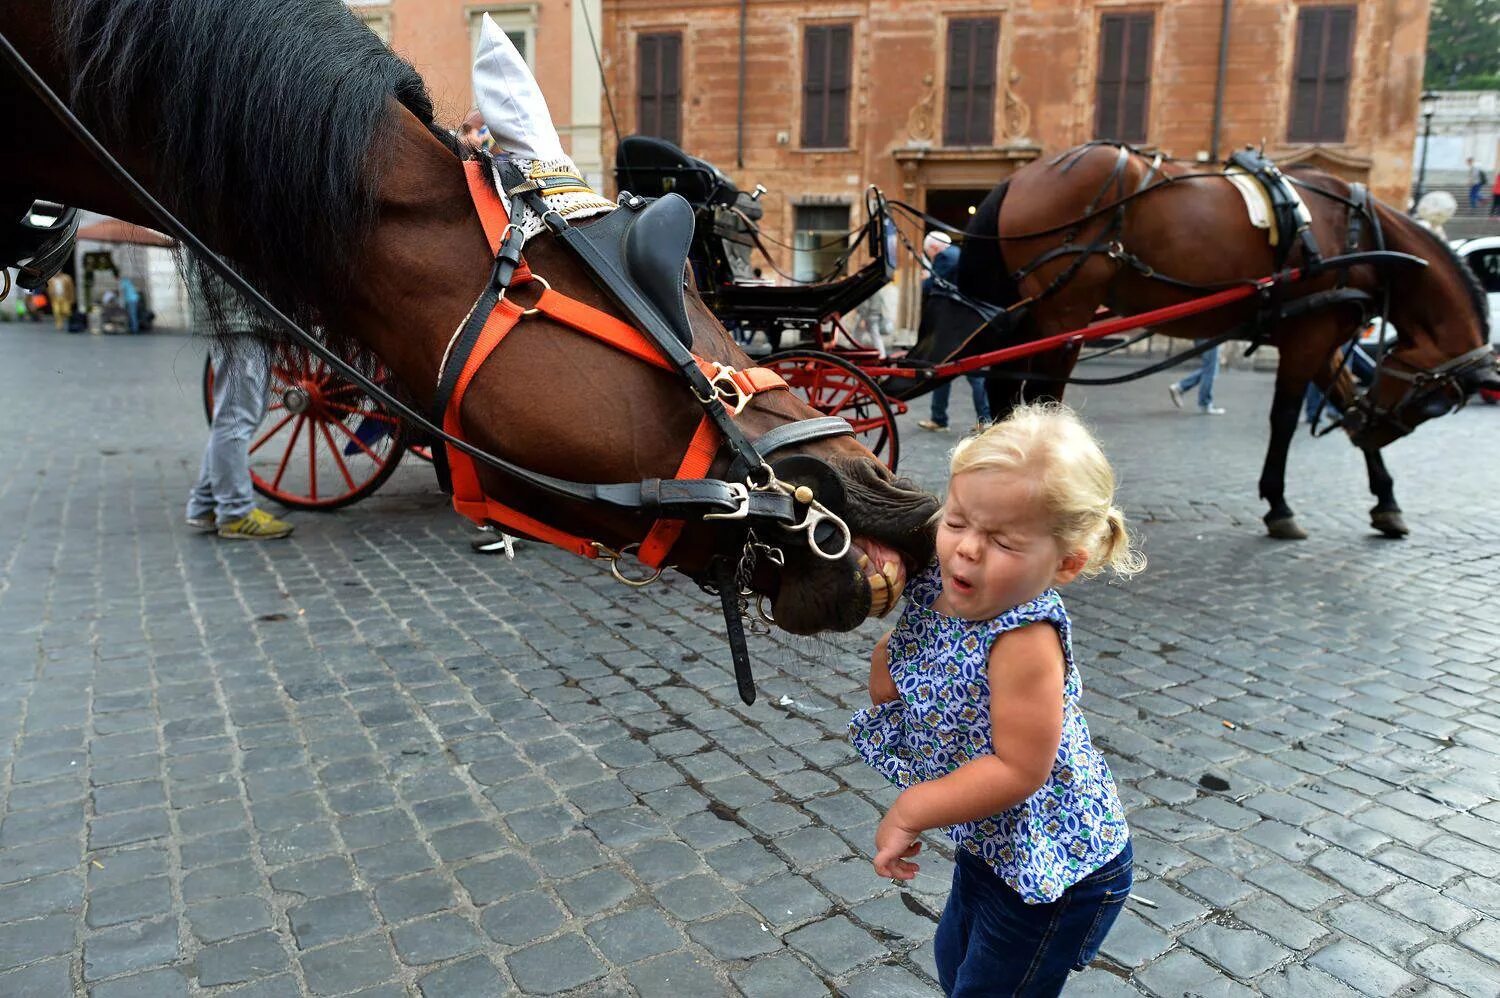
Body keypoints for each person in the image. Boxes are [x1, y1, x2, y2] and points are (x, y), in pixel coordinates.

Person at [849, 403, 1142, 998]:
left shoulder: (1024, 638)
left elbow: (1018, 767)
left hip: (1058, 871)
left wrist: (911, 810)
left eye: (1003, 540)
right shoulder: (948, 579)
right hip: (993, 848)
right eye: (956, 521)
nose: (968, 550)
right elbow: (897, 667)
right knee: (955, 962)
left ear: (1066, 564)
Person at [185, 274, 294, 540]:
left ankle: (205, 503)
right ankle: (235, 513)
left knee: (234, 414)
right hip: (239, 311)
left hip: (238, 309)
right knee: (237, 416)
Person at [918, 232, 991, 433]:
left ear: (933, 249)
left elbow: (933, 287)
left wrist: (926, 279)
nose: (931, 258)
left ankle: (980, 421)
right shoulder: (957, 254)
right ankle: (941, 417)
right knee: (948, 371)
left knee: (968, 374)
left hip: (955, 326)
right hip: (961, 324)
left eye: (929, 255)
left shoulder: (945, 257)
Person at [1168, 343, 1225, 414]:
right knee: (1210, 369)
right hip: (1210, 334)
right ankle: (1205, 404)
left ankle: (1180, 387)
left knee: (1211, 369)